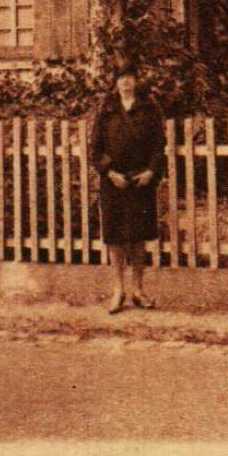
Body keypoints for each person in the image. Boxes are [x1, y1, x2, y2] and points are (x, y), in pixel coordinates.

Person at [89, 63, 166, 313]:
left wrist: (151, 172)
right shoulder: (106, 110)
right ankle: (118, 291)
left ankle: (138, 290)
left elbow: (158, 146)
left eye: (129, 77)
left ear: (136, 80)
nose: (125, 83)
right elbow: (96, 150)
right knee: (116, 238)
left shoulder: (149, 109)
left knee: (138, 237)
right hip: (114, 183)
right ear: (115, 82)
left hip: (140, 181)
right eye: (121, 78)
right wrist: (109, 173)